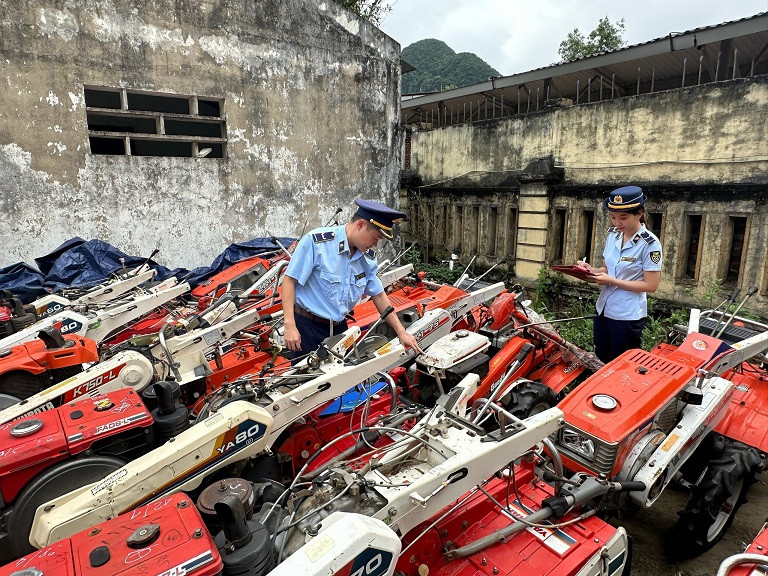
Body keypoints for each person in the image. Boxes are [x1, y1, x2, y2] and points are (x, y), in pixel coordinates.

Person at [282, 198, 422, 360]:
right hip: (307, 328)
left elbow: (378, 295)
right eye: (375, 238)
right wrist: (289, 325)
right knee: (305, 381)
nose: (375, 245)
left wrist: (401, 333)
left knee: (340, 381)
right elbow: (289, 280)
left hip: (340, 329)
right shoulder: (317, 243)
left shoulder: (367, 259)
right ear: (360, 225)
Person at [576, 186, 662, 363]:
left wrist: (612, 281)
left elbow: (650, 285)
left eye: (623, 218)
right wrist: (590, 270)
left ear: (639, 213)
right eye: (613, 217)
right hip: (604, 308)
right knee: (600, 361)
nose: (617, 223)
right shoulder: (613, 235)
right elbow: (607, 269)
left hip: (626, 315)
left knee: (622, 364)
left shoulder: (650, 244)